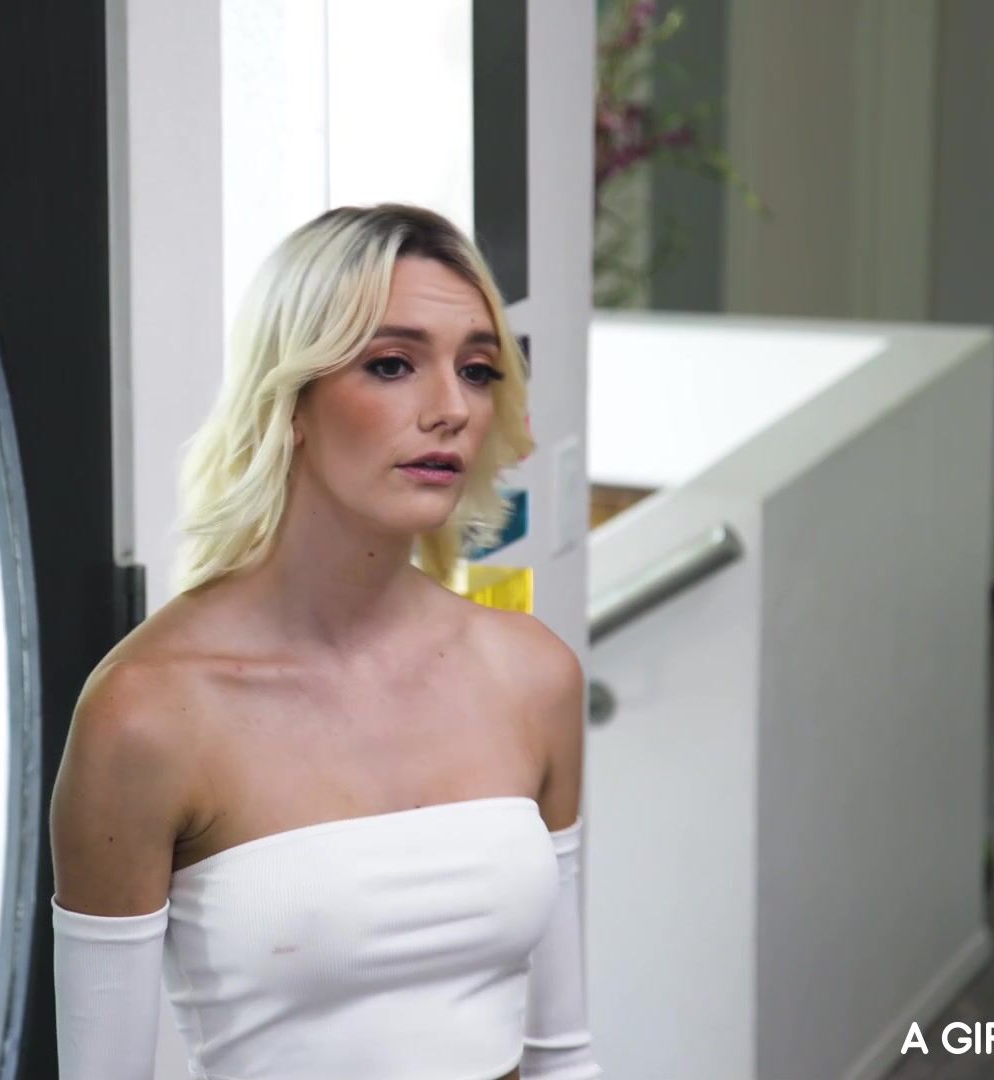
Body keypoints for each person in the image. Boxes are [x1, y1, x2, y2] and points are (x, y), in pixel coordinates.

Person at [49, 203, 602, 1080]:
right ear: (290, 399)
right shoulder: (148, 713)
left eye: (477, 370)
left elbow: (562, 1058)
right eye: (392, 364)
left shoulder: (533, 674)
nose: (452, 409)